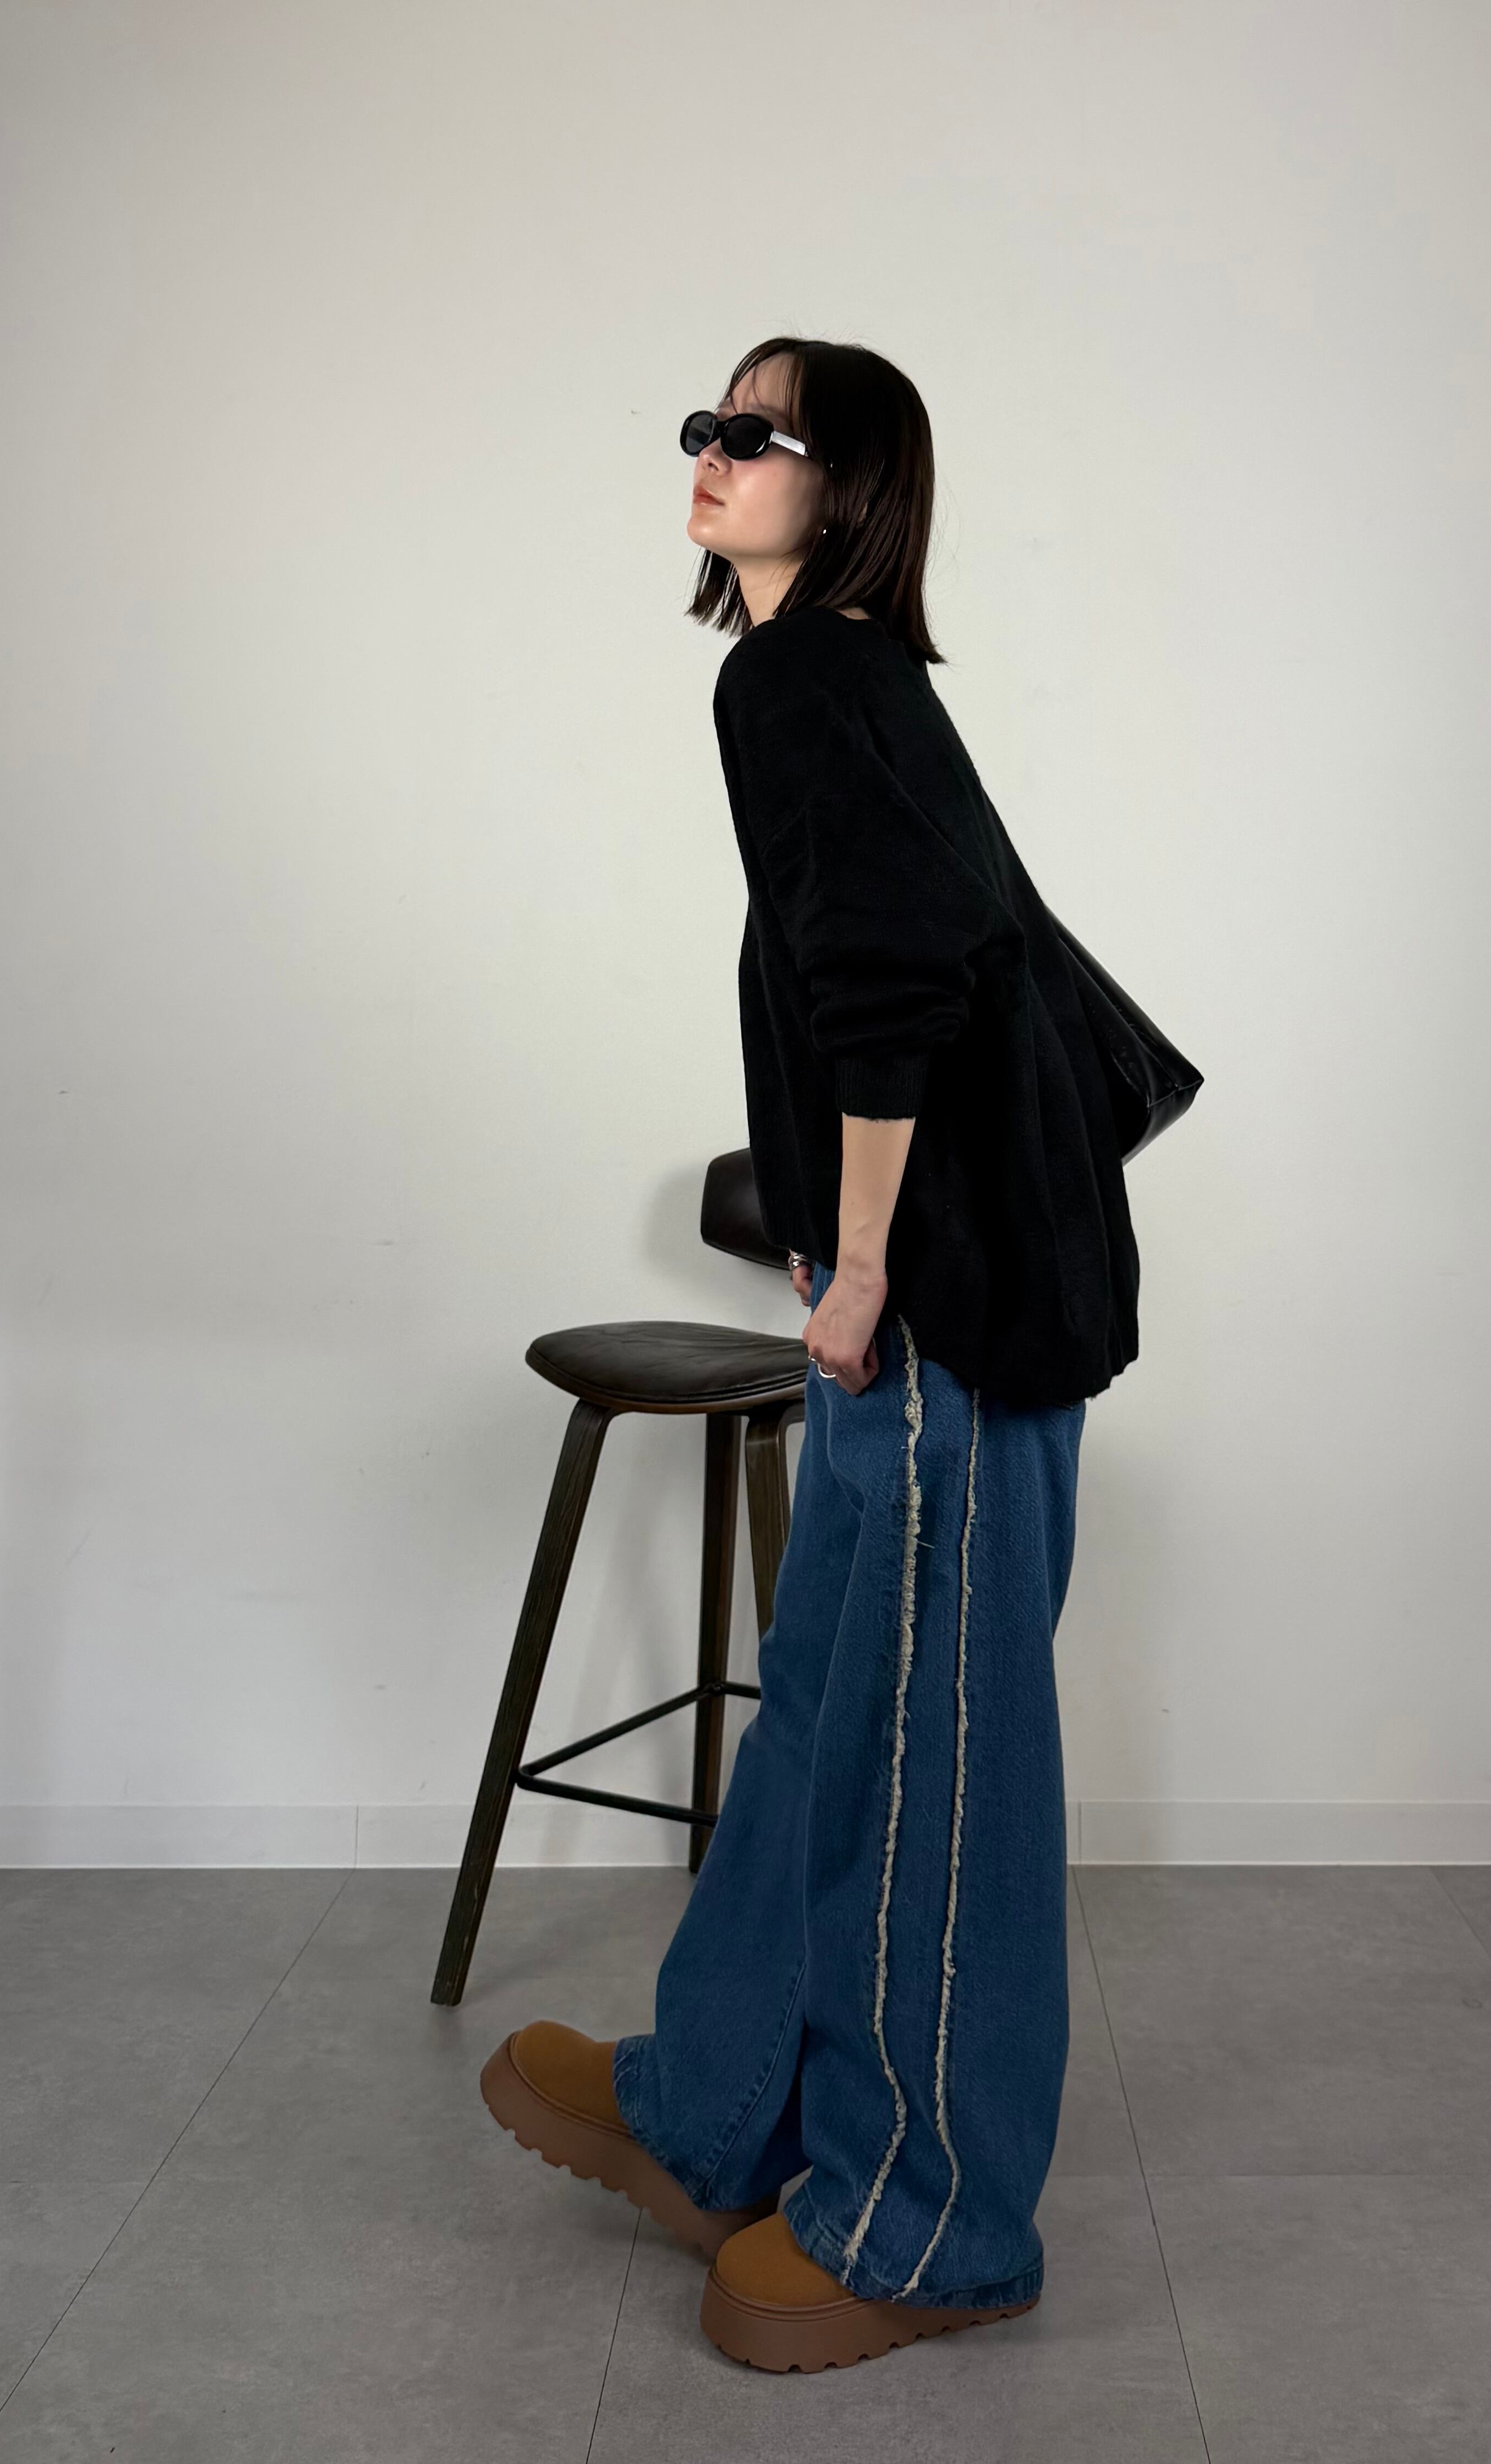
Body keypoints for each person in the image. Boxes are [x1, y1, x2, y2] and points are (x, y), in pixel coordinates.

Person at [479, 336, 1142, 2372]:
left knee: (931, 1760)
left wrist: (856, 1265)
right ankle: (721, 2108)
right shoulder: (810, 677)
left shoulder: (804, 679)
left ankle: (922, 2225)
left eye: (755, 434)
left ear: (845, 484)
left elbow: (896, 981)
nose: (711, 453)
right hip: (948, 1283)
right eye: (705, 423)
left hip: (947, 1310)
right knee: (831, 1710)